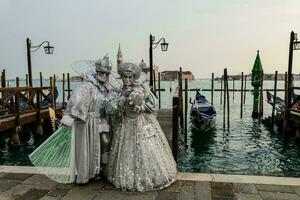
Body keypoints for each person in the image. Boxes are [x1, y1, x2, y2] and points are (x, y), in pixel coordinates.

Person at [29, 56, 112, 184]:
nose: (104, 75)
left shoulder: (105, 87)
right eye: (101, 72)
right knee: (87, 147)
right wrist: (71, 117)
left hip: (101, 120)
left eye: (107, 73)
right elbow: (77, 101)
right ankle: (87, 174)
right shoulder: (87, 86)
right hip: (87, 122)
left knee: (103, 143)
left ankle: (100, 169)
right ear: (96, 72)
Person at [106, 62, 177, 191]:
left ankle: (147, 174)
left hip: (141, 123)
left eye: (130, 77)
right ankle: (129, 176)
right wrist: (123, 99)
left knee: (145, 147)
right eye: (125, 77)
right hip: (125, 124)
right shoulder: (117, 92)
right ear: (121, 78)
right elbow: (110, 109)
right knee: (127, 149)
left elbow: (154, 104)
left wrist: (142, 107)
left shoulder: (142, 89)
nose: (127, 80)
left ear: (134, 78)